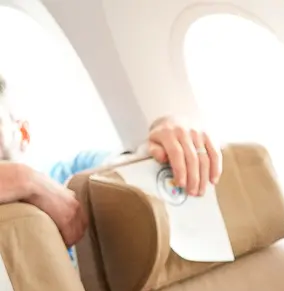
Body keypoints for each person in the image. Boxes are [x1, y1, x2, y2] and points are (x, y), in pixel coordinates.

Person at [0, 72, 222, 247]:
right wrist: (21, 178)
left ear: (23, 134)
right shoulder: (25, 179)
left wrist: (170, 133)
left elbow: (134, 165)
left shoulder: (76, 174)